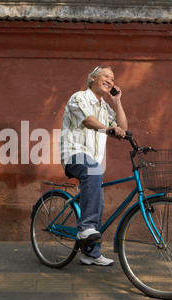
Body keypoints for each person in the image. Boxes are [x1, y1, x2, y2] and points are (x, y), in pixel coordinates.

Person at [59, 66, 128, 266]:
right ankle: (85, 227)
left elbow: (123, 128)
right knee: (94, 172)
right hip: (74, 154)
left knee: (98, 201)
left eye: (113, 79)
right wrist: (108, 129)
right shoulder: (79, 97)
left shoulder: (105, 107)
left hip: (93, 163)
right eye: (106, 76)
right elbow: (88, 121)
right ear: (92, 78)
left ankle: (90, 253)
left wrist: (117, 102)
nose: (110, 80)